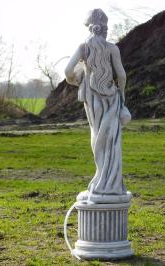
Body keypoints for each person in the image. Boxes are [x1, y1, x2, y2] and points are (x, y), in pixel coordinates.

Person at [65, 8, 130, 195]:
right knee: (111, 139)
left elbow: (67, 70)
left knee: (96, 134)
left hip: (91, 97)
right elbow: (122, 76)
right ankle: (112, 183)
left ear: (90, 27)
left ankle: (101, 177)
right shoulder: (112, 48)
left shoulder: (83, 48)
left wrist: (76, 80)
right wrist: (121, 94)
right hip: (111, 97)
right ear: (105, 27)